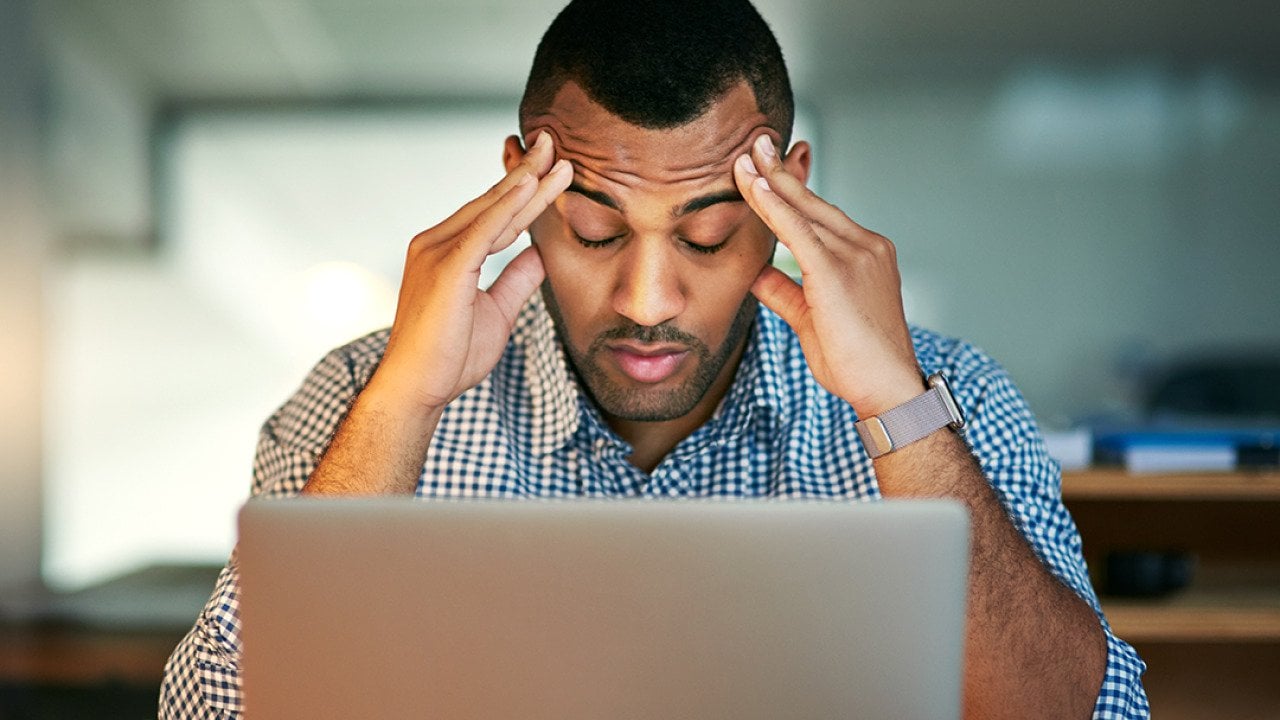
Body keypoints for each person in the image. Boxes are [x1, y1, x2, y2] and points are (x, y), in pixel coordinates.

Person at [160, 1, 1148, 717]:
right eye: (592, 231)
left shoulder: (949, 394)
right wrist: (402, 407)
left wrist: (892, 403)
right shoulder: (354, 396)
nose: (646, 302)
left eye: (708, 237)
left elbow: (1080, 715)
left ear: (786, 194)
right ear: (520, 189)